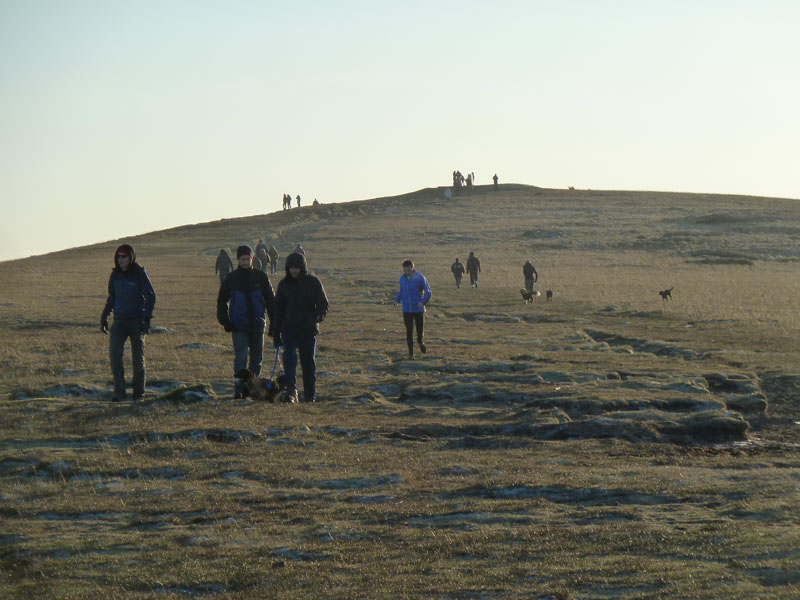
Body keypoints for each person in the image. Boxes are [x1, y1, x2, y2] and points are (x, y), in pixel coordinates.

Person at [217, 245, 275, 399]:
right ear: (238, 260)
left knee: (257, 359)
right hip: (238, 326)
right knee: (241, 359)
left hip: (258, 324)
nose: (244, 261)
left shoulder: (261, 277)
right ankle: (239, 389)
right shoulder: (231, 279)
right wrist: (225, 321)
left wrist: (274, 322)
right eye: (242, 259)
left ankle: (253, 388)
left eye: (247, 259)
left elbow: (271, 300)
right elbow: (222, 300)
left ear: (252, 259)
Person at [100, 244, 156, 402]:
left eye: (124, 256)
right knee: (115, 354)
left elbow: (151, 296)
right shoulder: (115, 276)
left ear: (131, 257)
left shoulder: (139, 273)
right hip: (119, 321)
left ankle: (139, 394)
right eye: (118, 256)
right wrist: (104, 317)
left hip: (137, 320)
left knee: (138, 358)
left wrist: (146, 318)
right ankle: (119, 392)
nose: (121, 259)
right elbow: (112, 298)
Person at [273, 252, 329, 403]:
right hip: (288, 329)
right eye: (291, 267)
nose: (294, 271)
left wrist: (315, 318)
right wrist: (275, 332)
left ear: (302, 267)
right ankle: (292, 391)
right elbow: (278, 309)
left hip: (308, 330)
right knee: (289, 357)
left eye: (297, 267)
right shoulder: (283, 285)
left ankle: (310, 396)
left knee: (308, 363)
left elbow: (323, 304)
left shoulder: (313, 282)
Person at [394, 259, 432, 359]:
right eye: (404, 270)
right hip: (406, 309)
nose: (406, 272)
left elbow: (428, 292)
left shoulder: (420, 278)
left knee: (420, 332)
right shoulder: (402, 278)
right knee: (409, 331)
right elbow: (402, 291)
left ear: (412, 268)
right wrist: (397, 300)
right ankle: (411, 354)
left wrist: (423, 302)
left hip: (418, 309)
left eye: (408, 270)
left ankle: (420, 342)